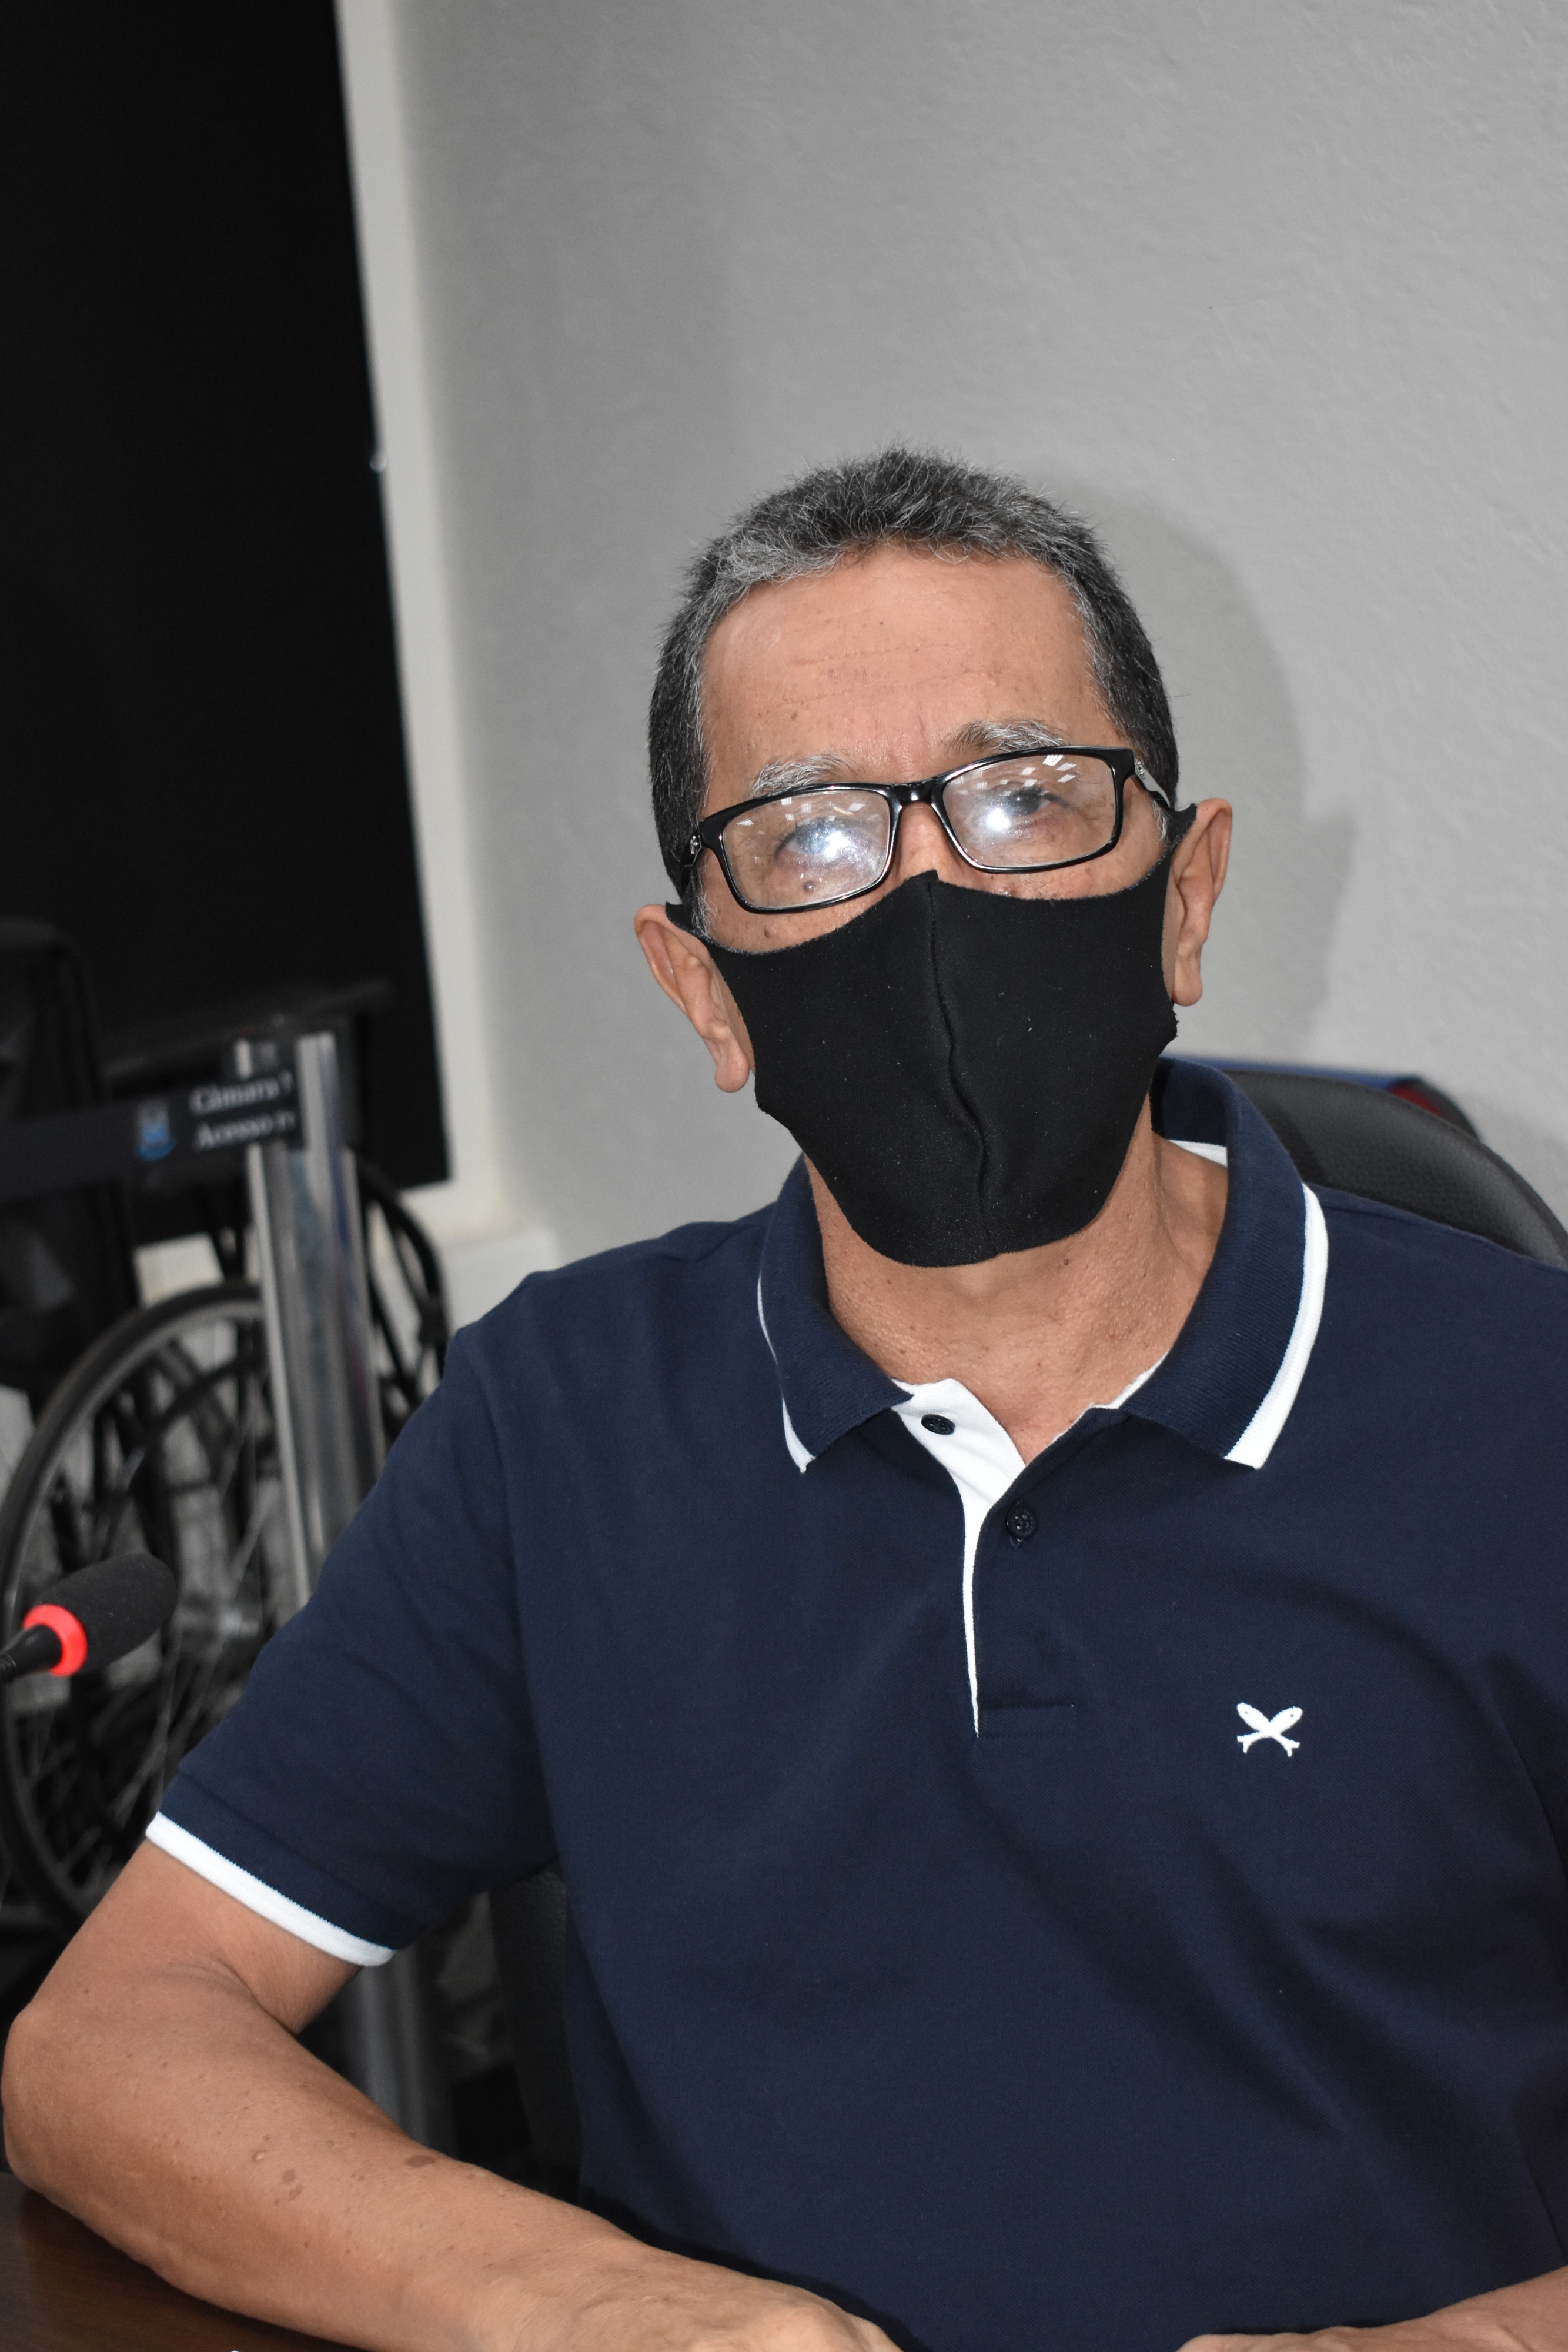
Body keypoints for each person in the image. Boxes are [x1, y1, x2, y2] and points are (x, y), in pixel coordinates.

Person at [6, 449, 1568, 2352]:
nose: (928, 888)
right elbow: (107, 2038)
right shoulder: (561, 1420)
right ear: (703, 990)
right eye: (811, 834)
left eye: (1023, 794)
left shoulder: (1522, 1407)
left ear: (1185, 894)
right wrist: (591, 2309)